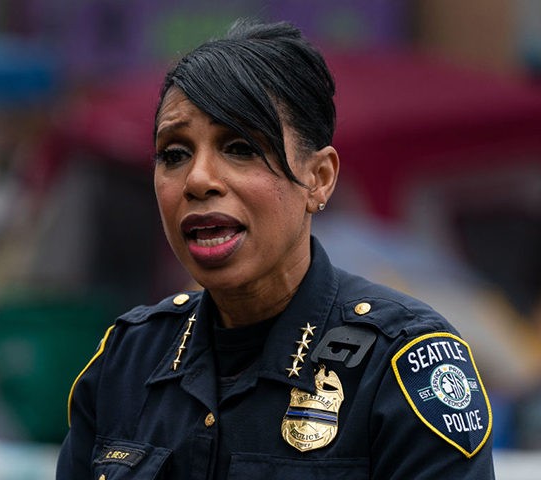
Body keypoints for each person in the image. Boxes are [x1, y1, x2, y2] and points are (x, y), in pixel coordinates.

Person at [56, 19, 495, 479]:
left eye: (241, 147)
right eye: (174, 154)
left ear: (319, 178)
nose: (199, 180)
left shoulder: (396, 368)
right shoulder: (127, 361)